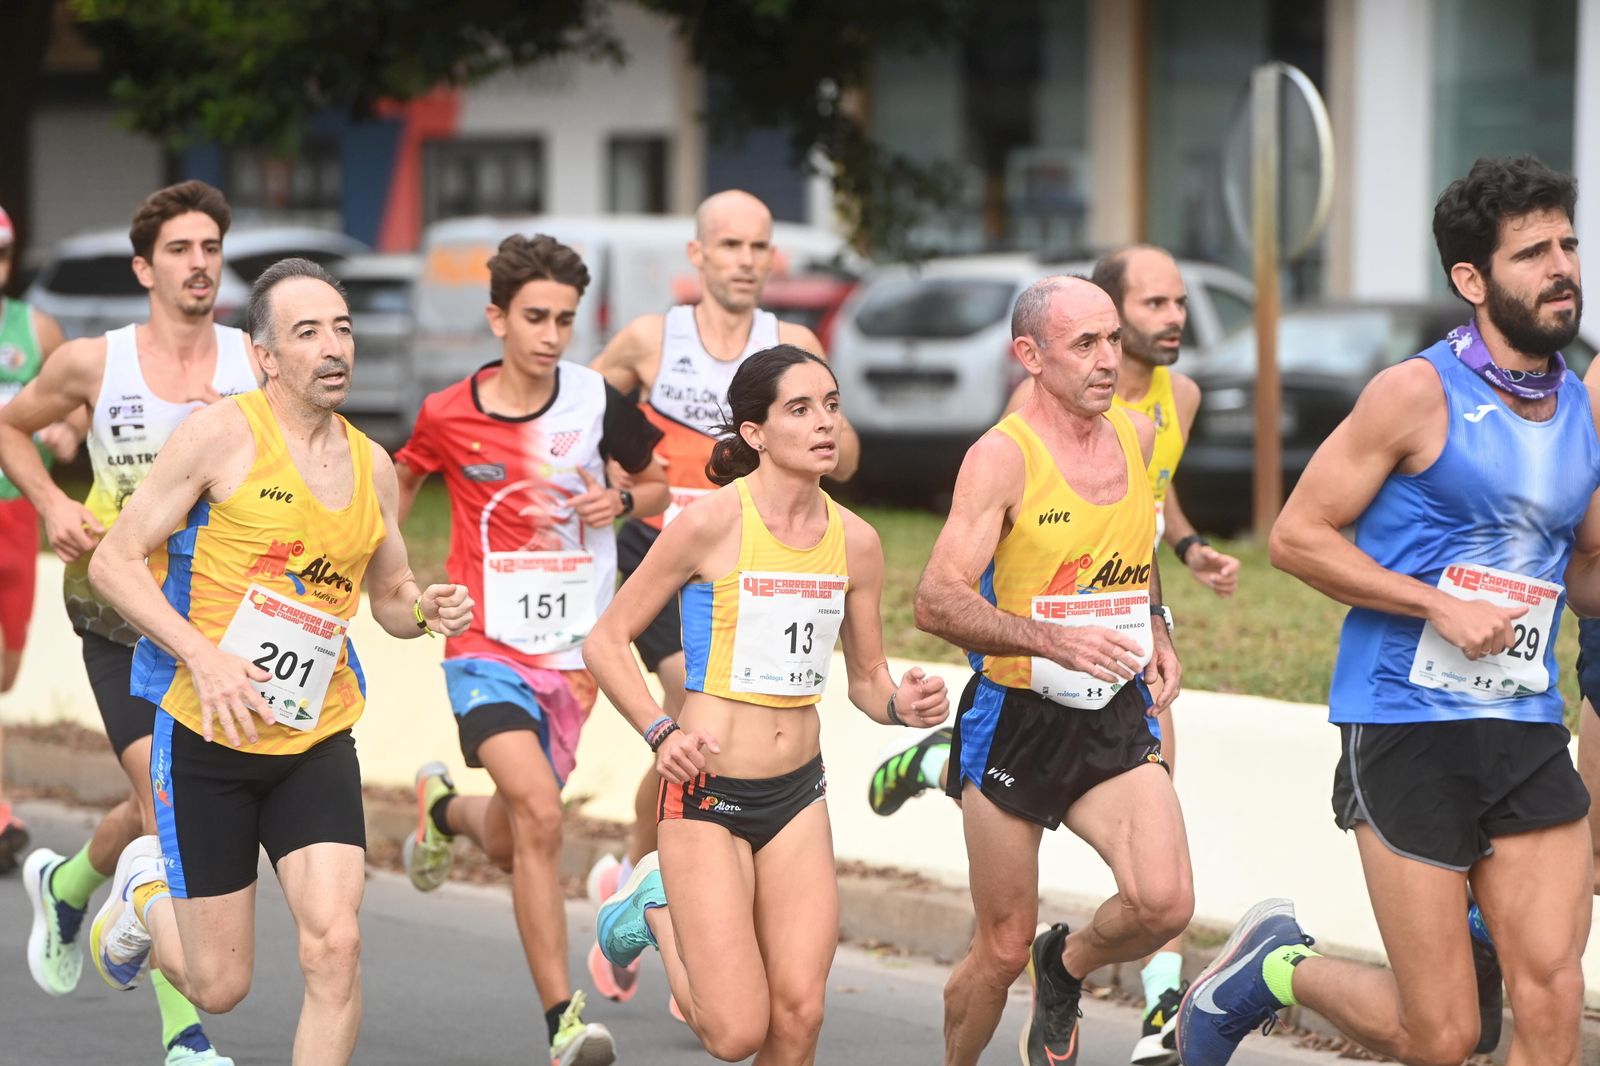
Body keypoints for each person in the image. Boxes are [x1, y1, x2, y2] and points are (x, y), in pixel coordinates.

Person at [1178, 155, 1596, 1066]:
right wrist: (1433, 602)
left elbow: (1586, 571)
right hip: (1405, 720)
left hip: (1523, 721)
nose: (1562, 265)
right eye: (1532, 253)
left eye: (1568, 243)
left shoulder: (1580, 406)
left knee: (1554, 995)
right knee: (1441, 1034)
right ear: (1472, 279)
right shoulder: (1416, 392)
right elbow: (1297, 535)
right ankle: (1270, 970)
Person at [82, 258, 471, 1066]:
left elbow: (388, 593)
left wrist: (422, 608)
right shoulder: (220, 435)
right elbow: (114, 562)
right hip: (207, 741)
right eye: (308, 332)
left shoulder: (372, 465)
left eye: (343, 328)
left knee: (336, 946)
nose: (334, 348)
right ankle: (143, 892)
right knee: (219, 987)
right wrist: (204, 657)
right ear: (264, 356)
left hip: (313, 738)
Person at [872, 248, 1226, 1065]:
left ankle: (1063, 967)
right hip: (1016, 716)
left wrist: (1160, 627)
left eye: (1112, 340)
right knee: (997, 949)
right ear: (1030, 355)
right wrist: (1048, 635)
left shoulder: (1137, 436)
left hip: (1112, 710)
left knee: (1165, 903)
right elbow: (936, 599)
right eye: (1085, 345)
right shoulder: (1002, 457)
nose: (1108, 360)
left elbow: (1136, 553)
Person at [585, 345, 948, 1063]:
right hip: (703, 793)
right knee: (735, 1033)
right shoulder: (709, 524)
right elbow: (606, 640)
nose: (825, 424)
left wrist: (902, 704)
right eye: (801, 409)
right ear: (754, 433)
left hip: (796, 796)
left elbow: (868, 678)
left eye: (833, 407)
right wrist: (660, 730)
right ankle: (651, 905)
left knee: (801, 1015)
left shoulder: (857, 542)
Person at [393, 233, 669, 1065]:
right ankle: (564, 1020)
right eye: (536, 318)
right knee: (543, 816)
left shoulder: (594, 401)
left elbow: (656, 482)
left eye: (566, 320)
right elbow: (399, 484)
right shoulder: (447, 412)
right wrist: (389, 578)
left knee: (520, 834)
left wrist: (618, 497)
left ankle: (443, 812)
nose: (552, 336)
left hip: (573, 658)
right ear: (497, 318)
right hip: (482, 645)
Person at [583, 189, 859, 1006]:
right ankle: (667, 878)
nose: (745, 260)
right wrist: (619, 477)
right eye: (729, 245)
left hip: (754, 551)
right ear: (697, 256)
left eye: (759, 246)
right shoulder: (650, 339)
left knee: (704, 708)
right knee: (684, 701)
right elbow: (582, 409)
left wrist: (810, 438)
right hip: (667, 545)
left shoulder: (794, 348)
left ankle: (665, 885)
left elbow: (843, 460)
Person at [0, 181, 251, 1065]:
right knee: (168, 809)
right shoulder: (94, 364)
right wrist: (49, 506)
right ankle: (184, 1035)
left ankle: (70, 884)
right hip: (117, 618)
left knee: (160, 810)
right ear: (146, 267)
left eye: (211, 248)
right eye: (181, 250)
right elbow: (11, 426)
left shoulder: (254, 362)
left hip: (223, 630)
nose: (199, 265)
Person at [0, 202, 74, 874]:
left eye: (0, 253)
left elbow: (75, 407)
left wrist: (66, 432)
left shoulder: (37, 328)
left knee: (8, 667)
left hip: (19, 511)